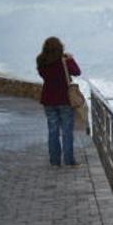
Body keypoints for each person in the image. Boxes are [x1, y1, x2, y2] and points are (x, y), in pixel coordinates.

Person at [37, 37, 81, 167]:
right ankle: (69, 160)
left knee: (52, 131)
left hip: (48, 99)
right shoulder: (64, 60)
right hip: (65, 99)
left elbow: (43, 76)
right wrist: (70, 59)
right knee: (67, 131)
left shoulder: (41, 60)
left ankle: (55, 161)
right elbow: (77, 72)